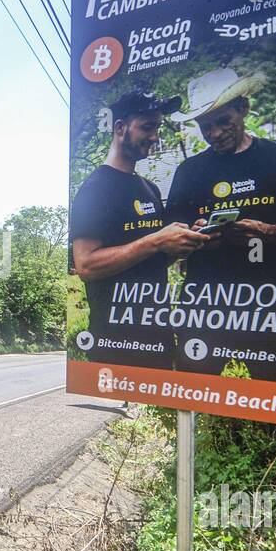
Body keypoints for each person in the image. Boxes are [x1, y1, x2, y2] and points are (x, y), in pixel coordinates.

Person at [164, 68, 276, 384]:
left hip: (267, 303)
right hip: (204, 305)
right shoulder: (189, 171)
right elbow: (169, 240)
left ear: (243, 108)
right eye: (205, 126)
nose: (214, 133)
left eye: (223, 121)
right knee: (194, 390)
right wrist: (195, 236)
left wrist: (269, 232)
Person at [71, 90, 212, 367]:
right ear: (120, 128)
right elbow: (86, 265)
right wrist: (156, 241)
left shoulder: (149, 188)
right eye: (147, 127)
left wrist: (182, 241)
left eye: (157, 128)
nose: (155, 136)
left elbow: (153, 256)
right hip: (116, 341)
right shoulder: (96, 188)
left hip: (156, 333)